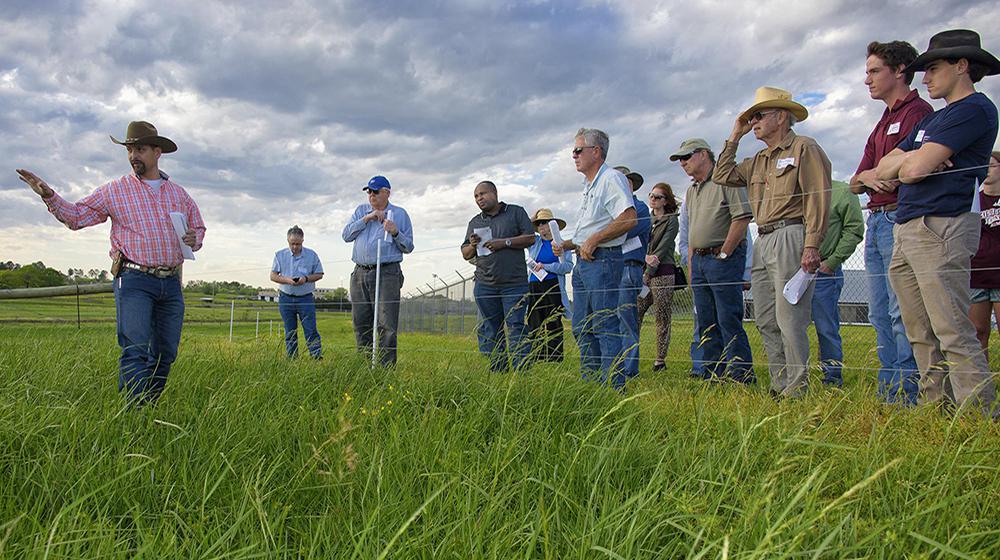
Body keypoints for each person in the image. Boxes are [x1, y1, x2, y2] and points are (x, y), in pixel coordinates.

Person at [16, 121, 205, 404]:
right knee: (135, 348)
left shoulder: (180, 195)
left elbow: (199, 230)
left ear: (157, 152)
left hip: (171, 283)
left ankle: (148, 404)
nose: (133, 156)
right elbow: (77, 216)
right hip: (134, 279)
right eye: (129, 150)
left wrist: (193, 238)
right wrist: (49, 196)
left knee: (166, 353)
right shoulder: (114, 191)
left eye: (139, 149)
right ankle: (135, 413)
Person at [875, 29, 999, 414]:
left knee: (951, 327)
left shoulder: (976, 109)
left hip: (942, 224)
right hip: (909, 225)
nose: (925, 77)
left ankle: (977, 415)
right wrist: (914, 161)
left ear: (962, 66)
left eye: (932, 68)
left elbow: (909, 171)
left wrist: (914, 162)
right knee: (919, 331)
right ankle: (936, 409)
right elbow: (885, 166)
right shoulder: (937, 118)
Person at [714, 87, 832, 398]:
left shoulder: (804, 148)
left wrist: (811, 245)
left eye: (758, 116)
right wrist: (735, 135)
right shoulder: (757, 160)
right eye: (750, 117)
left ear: (781, 117)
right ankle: (779, 384)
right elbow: (722, 174)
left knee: (789, 318)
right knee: (766, 318)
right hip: (763, 238)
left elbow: (817, 199)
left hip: (791, 235)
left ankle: (797, 389)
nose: (753, 121)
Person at [849, 39, 932, 404]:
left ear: (900, 70)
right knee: (880, 311)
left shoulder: (919, 113)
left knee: (904, 312)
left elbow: (911, 169)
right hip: (877, 220)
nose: (867, 79)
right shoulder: (881, 123)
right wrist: (869, 177)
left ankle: (908, 394)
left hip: (901, 215)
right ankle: (890, 391)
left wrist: (876, 175)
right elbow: (855, 181)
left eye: (873, 71)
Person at [553, 128, 637, 391]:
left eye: (578, 150)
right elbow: (593, 227)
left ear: (596, 152)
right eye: (573, 151)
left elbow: (628, 217)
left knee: (603, 323)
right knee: (581, 326)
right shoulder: (591, 185)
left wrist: (594, 240)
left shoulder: (611, 179)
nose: (574, 156)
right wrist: (570, 243)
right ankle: (591, 385)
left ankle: (613, 386)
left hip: (602, 261)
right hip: (585, 262)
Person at [672, 138, 755, 384]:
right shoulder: (691, 190)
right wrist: (691, 263)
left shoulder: (726, 179)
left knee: (728, 318)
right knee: (706, 321)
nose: (683, 163)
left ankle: (741, 375)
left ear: (704, 154)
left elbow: (742, 218)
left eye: (686, 157)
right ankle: (711, 373)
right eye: (680, 159)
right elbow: (689, 232)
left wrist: (724, 254)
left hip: (722, 259)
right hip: (699, 261)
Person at [461, 181, 536, 371]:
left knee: (516, 327)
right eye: (476, 196)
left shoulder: (515, 212)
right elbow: (465, 253)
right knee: (491, 329)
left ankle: (522, 373)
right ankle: (499, 371)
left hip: (514, 284)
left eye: (483, 194)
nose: (479, 199)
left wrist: (505, 242)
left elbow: (530, 237)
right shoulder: (475, 222)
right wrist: (472, 244)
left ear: (494, 193)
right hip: (485, 284)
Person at [342, 175, 414, 367]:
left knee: (386, 324)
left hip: (387, 273)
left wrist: (395, 232)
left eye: (376, 192)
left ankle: (385, 369)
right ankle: (364, 365)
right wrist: (367, 218)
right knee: (361, 322)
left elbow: (408, 246)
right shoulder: (360, 211)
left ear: (387, 193)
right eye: (369, 192)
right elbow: (346, 235)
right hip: (359, 273)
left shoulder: (400, 214)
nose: (371, 196)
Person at [811, 182, 863, 387]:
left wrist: (831, 262)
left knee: (826, 328)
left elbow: (855, 228)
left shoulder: (841, 191)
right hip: (792, 271)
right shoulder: (794, 190)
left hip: (823, 272)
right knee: (788, 326)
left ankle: (831, 379)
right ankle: (794, 377)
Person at [636, 182, 679, 372]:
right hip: (645, 271)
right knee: (637, 310)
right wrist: (644, 266)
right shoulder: (646, 220)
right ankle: (631, 352)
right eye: (651, 195)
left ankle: (660, 359)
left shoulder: (671, 220)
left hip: (663, 272)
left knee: (662, 316)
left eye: (658, 197)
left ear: (666, 200)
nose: (653, 199)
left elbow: (662, 248)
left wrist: (649, 272)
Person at [614, 166, 651, 379]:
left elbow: (621, 233)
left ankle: (628, 369)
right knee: (610, 318)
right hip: (610, 269)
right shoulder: (611, 209)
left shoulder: (639, 208)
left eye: (626, 181)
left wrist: (605, 231)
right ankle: (616, 364)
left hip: (628, 267)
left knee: (626, 319)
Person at [526, 208, 574, 362]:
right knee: (534, 320)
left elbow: (567, 267)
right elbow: (522, 230)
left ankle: (555, 357)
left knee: (553, 321)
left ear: (552, 225)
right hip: (534, 285)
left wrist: (546, 266)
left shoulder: (562, 244)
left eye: (544, 223)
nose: (541, 227)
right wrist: (532, 218)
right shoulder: (534, 243)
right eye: (538, 224)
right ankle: (537, 356)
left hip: (553, 286)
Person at [270, 225, 325, 359]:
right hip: (285, 298)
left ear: (303, 241)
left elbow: (319, 274)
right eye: (292, 243)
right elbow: (273, 276)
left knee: (311, 329)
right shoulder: (279, 255)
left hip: (305, 298)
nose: (295, 247)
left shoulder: (311, 255)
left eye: (298, 244)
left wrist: (305, 279)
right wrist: (287, 280)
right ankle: (292, 359)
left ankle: (316, 357)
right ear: (288, 241)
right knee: (290, 331)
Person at [969, 151, 1000, 363]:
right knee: (978, 331)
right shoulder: (974, 201)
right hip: (976, 274)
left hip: (999, 272)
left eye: (991, 165)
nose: (987, 170)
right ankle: (982, 379)